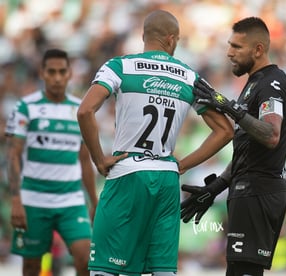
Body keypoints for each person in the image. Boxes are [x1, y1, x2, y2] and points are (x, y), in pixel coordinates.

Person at [77, 9, 233, 276]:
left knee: (106, 267)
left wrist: (99, 159)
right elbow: (225, 131)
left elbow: (84, 111)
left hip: (128, 173)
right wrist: (182, 164)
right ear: (172, 39)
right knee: (162, 269)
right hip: (166, 178)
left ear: (143, 36)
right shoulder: (189, 76)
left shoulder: (120, 66)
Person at [180, 17, 286, 276]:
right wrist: (215, 188)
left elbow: (271, 135)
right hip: (247, 190)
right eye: (229, 45)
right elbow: (249, 151)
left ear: (258, 49)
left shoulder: (272, 83)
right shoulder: (253, 84)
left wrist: (228, 106)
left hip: (260, 191)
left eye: (237, 47)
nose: (229, 52)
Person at [5, 48, 98, 276]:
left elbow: (85, 161)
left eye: (62, 72)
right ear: (42, 73)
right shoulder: (26, 107)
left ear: (69, 74)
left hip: (70, 200)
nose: (57, 77)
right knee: (32, 267)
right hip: (33, 200)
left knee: (85, 259)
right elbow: (13, 155)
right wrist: (16, 200)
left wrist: (94, 202)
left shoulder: (80, 110)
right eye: (52, 72)